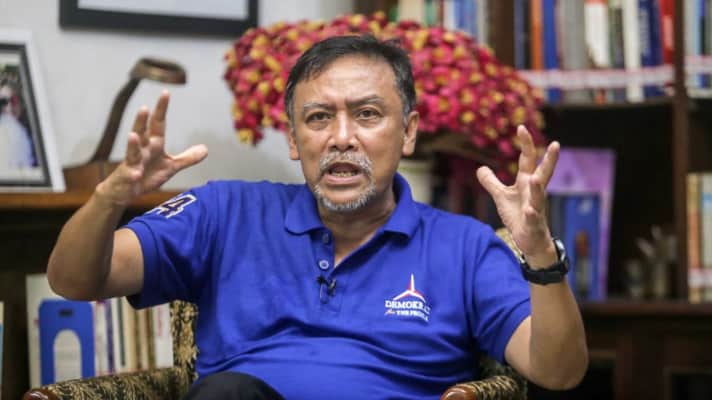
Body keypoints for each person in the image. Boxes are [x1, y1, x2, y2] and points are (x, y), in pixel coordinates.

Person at [47, 35, 587, 399]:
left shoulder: (464, 246)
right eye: (319, 118)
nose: (341, 138)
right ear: (293, 139)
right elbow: (74, 280)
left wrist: (541, 255)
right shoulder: (224, 213)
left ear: (408, 132)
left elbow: (559, 371)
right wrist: (108, 199)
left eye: (367, 114)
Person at [0, 78, 36, 171]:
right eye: (3, 102)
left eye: (14, 100)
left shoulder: (36, 133)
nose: (9, 106)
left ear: (22, 102)